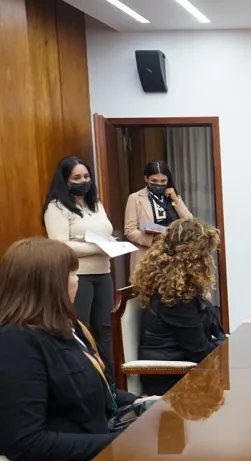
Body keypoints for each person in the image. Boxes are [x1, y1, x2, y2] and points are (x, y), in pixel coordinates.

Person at [0, 238, 138, 461]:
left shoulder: (69, 328)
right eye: (73, 274)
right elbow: (26, 441)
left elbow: (103, 392)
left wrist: (142, 404)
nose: (78, 281)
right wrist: (117, 443)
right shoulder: (17, 342)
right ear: (50, 284)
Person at [42, 156, 115, 378]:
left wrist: (109, 244)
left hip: (103, 273)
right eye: (76, 178)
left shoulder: (96, 204)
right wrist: (99, 247)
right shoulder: (56, 207)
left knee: (106, 330)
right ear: (65, 180)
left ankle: (111, 382)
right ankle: (89, 379)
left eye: (86, 176)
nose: (83, 181)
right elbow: (60, 245)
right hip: (78, 276)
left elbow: (107, 234)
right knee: (83, 329)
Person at [133, 218, 224, 396]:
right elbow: (200, 352)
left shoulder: (174, 288)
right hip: (172, 379)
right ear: (193, 259)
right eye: (206, 255)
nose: (208, 261)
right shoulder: (174, 299)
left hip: (182, 368)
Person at [125, 160, 193, 274]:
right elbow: (129, 231)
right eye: (154, 181)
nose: (159, 184)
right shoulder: (135, 198)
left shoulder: (172, 197)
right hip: (148, 256)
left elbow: (190, 222)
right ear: (146, 179)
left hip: (173, 256)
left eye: (163, 181)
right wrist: (153, 239)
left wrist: (176, 200)